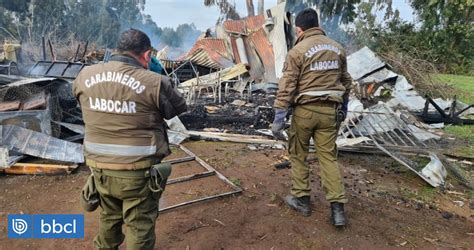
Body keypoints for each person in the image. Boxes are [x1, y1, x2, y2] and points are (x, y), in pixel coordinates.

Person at [74, 28, 187, 249]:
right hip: (138, 172)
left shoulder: (84, 76)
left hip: (100, 170)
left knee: (109, 216)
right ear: (146, 55)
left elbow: (83, 101)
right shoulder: (155, 82)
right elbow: (177, 109)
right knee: (139, 224)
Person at [271, 8, 352, 227]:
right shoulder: (337, 48)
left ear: (299, 29)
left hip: (305, 112)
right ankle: (337, 211)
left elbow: (287, 86)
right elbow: (346, 81)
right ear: (318, 24)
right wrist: (344, 107)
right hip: (330, 113)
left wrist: (279, 117)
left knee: (298, 154)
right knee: (328, 158)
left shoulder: (297, 51)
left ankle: (302, 200)